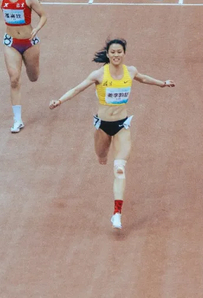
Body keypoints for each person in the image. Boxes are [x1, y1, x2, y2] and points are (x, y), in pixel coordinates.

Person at [49, 38, 175, 229]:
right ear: (108, 54)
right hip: (102, 126)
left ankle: (117, 214)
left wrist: (163, 83)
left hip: (122, 125)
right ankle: (102, 155)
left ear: (124, 53)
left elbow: (144, 78)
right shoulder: (99, 74)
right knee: (101, 156)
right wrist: (59, 101)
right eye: (113, 52)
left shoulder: (130, 71)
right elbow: (77, 88)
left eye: (119, 52)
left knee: (119, 168)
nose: (116, 55)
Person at [0, 0, 48, 132]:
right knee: (14, 79)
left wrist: (37, 28)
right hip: (11, 43)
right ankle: (17, 120)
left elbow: (43, 15)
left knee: (33, 77)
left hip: (29, 42)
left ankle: (32, 67)